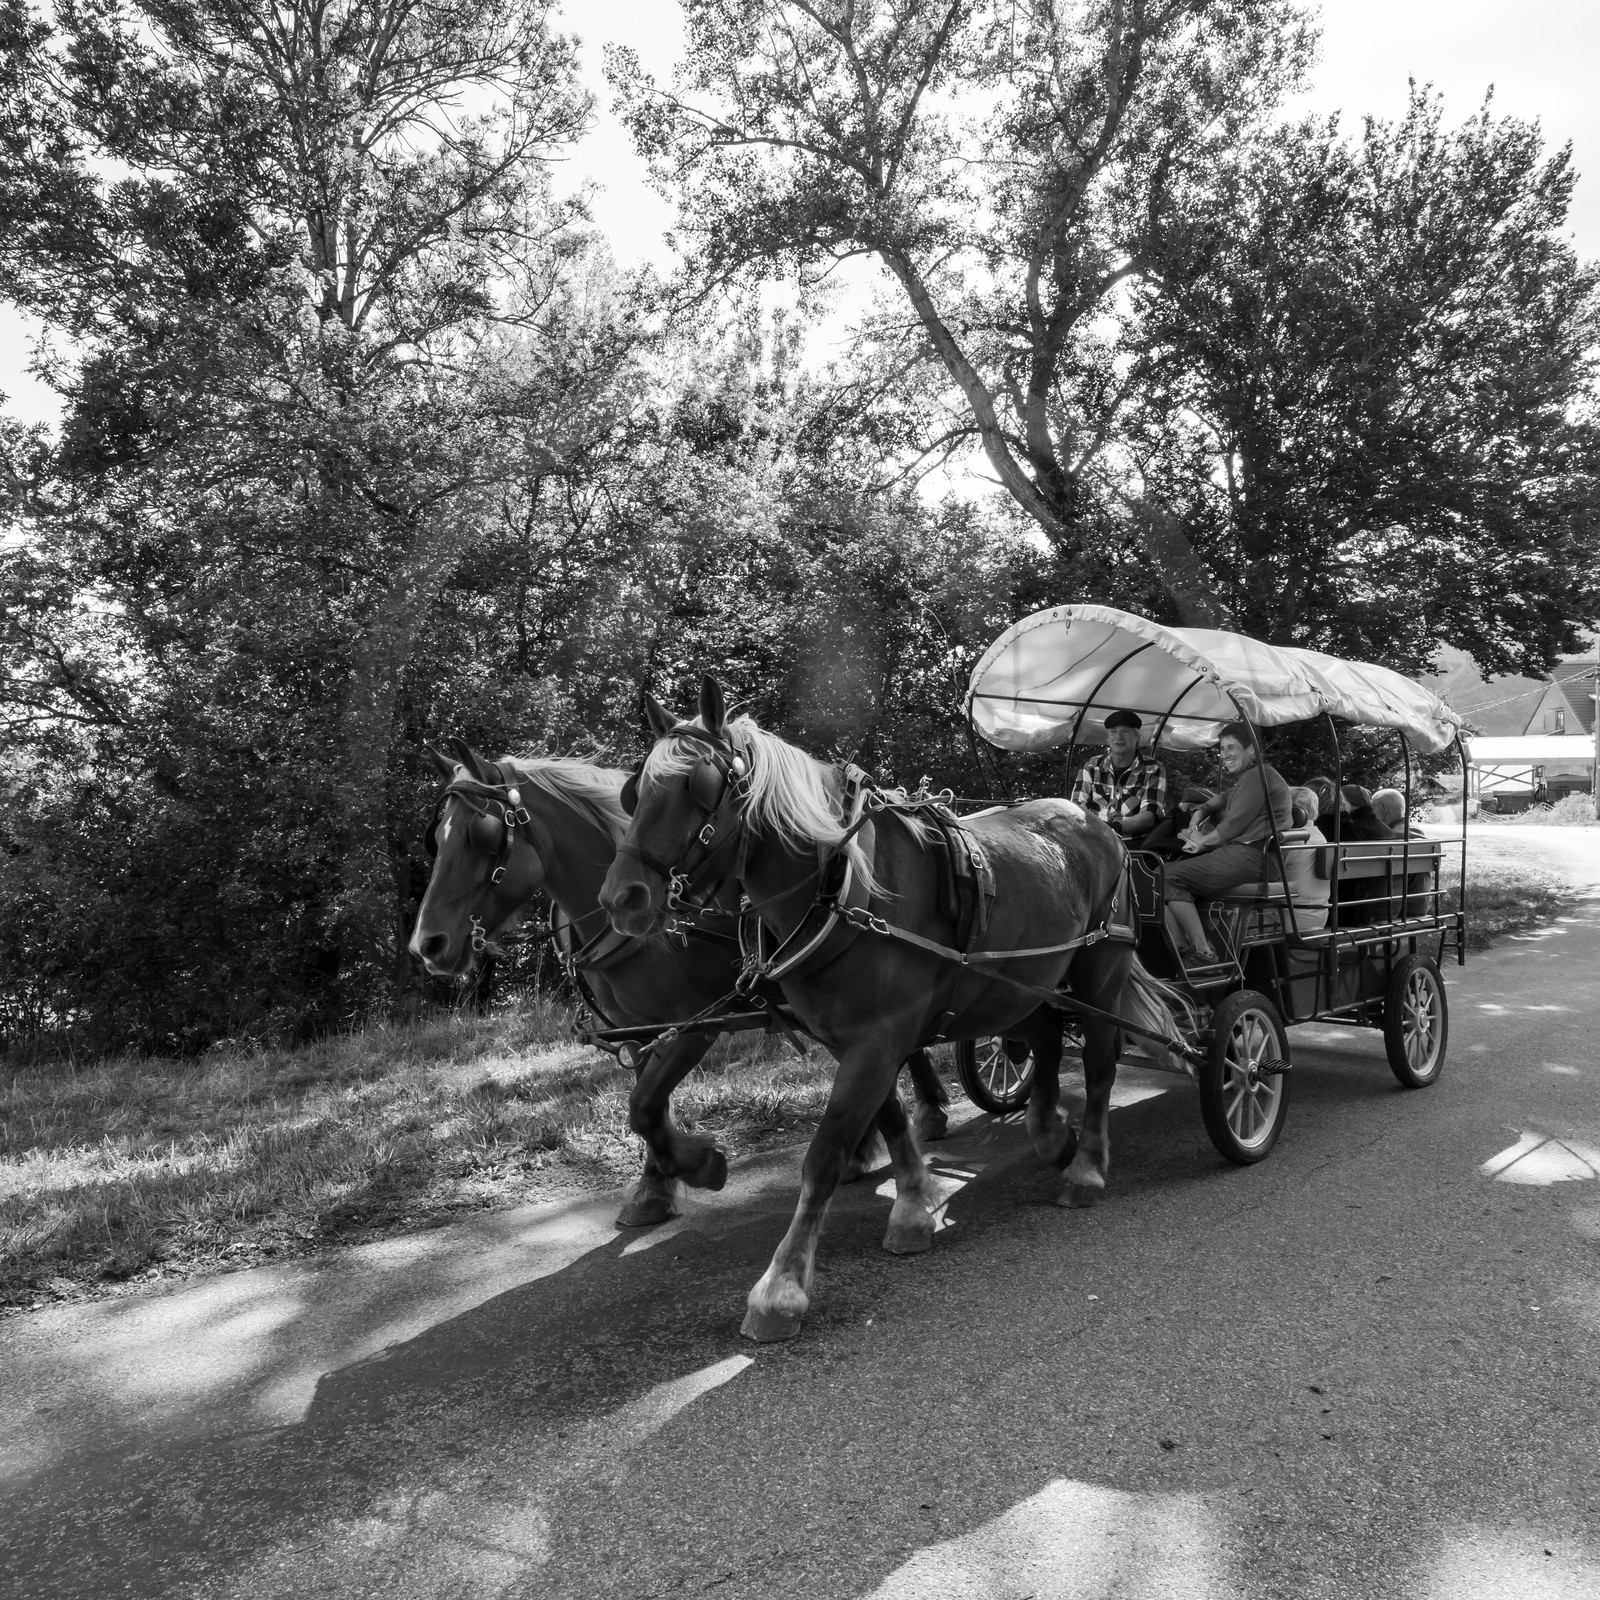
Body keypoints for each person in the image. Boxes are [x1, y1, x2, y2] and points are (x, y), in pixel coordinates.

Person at [1162, 722, 1292, 963]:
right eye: (1222, 749)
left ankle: (1202, 953)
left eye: (1232, 748)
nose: (1225, 755)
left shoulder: (1258, 777)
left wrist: (1200, 840)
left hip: (1254, 855)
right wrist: (1201, 810)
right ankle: (1181, 952)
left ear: (1251, 749)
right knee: (1160, 875)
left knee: (1164, 876)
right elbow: (1224, 798)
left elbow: (1231, 827)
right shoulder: (1254, 776)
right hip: (1248, 855)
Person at [1070, 710, 1168, 842]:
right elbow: (1076, 807)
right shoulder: (1092, 766)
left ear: (1137, 736)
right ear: (1107, 737)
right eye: (1113, 731)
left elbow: (1149, 816)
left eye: (1126, 731)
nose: (1119, 737)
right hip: (1095, 841)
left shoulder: (1153, 769)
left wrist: (1114, 828)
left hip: (1133, 845)